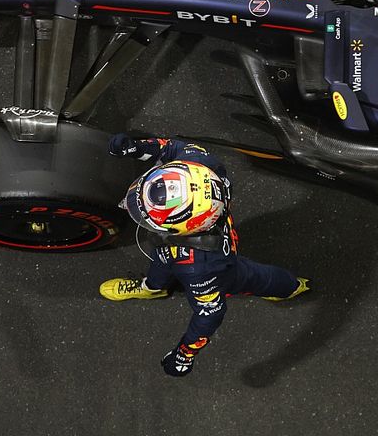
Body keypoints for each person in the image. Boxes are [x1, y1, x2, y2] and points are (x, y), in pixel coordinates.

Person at [100, 134, 310, 377]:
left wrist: (184, 354)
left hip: (217, 262)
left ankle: (290, 288)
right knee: (162, 259)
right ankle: (153, 287)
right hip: (178, 242)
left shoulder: (201, 269)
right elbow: (171, 148)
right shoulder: (199, 163)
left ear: (185, 227)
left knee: (255, 277)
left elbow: (209, 314)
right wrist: (135, 148)